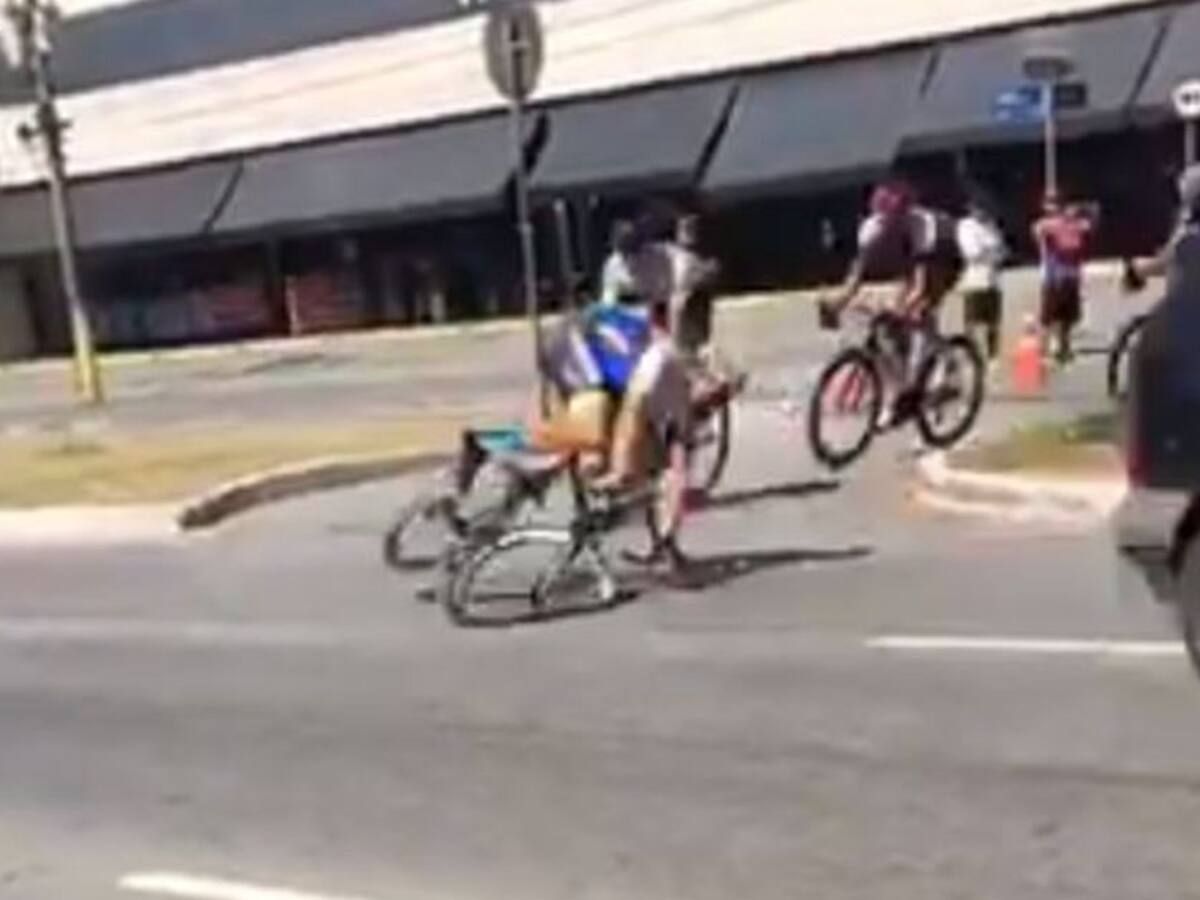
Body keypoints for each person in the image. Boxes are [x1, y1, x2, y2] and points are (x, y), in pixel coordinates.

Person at [1032, 193, 1095, 366]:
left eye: (1057, 203)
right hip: (1054, 275)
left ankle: (1063, 348)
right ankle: (1044, 349)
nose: (1054, 207)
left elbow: (1088, 227)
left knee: (1067, 317)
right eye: (1050, 204)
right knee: (1048, 316)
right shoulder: (1045, 226)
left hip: (1071, 275)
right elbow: (1040, 233)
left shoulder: (1074, 225)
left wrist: (1079, 214)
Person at [956, 200, 1008, 363]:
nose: (982, 213)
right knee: (972, 320)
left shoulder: (991, 225)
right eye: (978, 209)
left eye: (985, 209)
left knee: (993, 321)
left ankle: (993, 354)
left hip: (993, 278)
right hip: (974, 279)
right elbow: (972, 252)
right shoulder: (966, 226)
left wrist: (991, 252)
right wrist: (991, 251)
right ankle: (973, 354)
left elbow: (1003, 250)